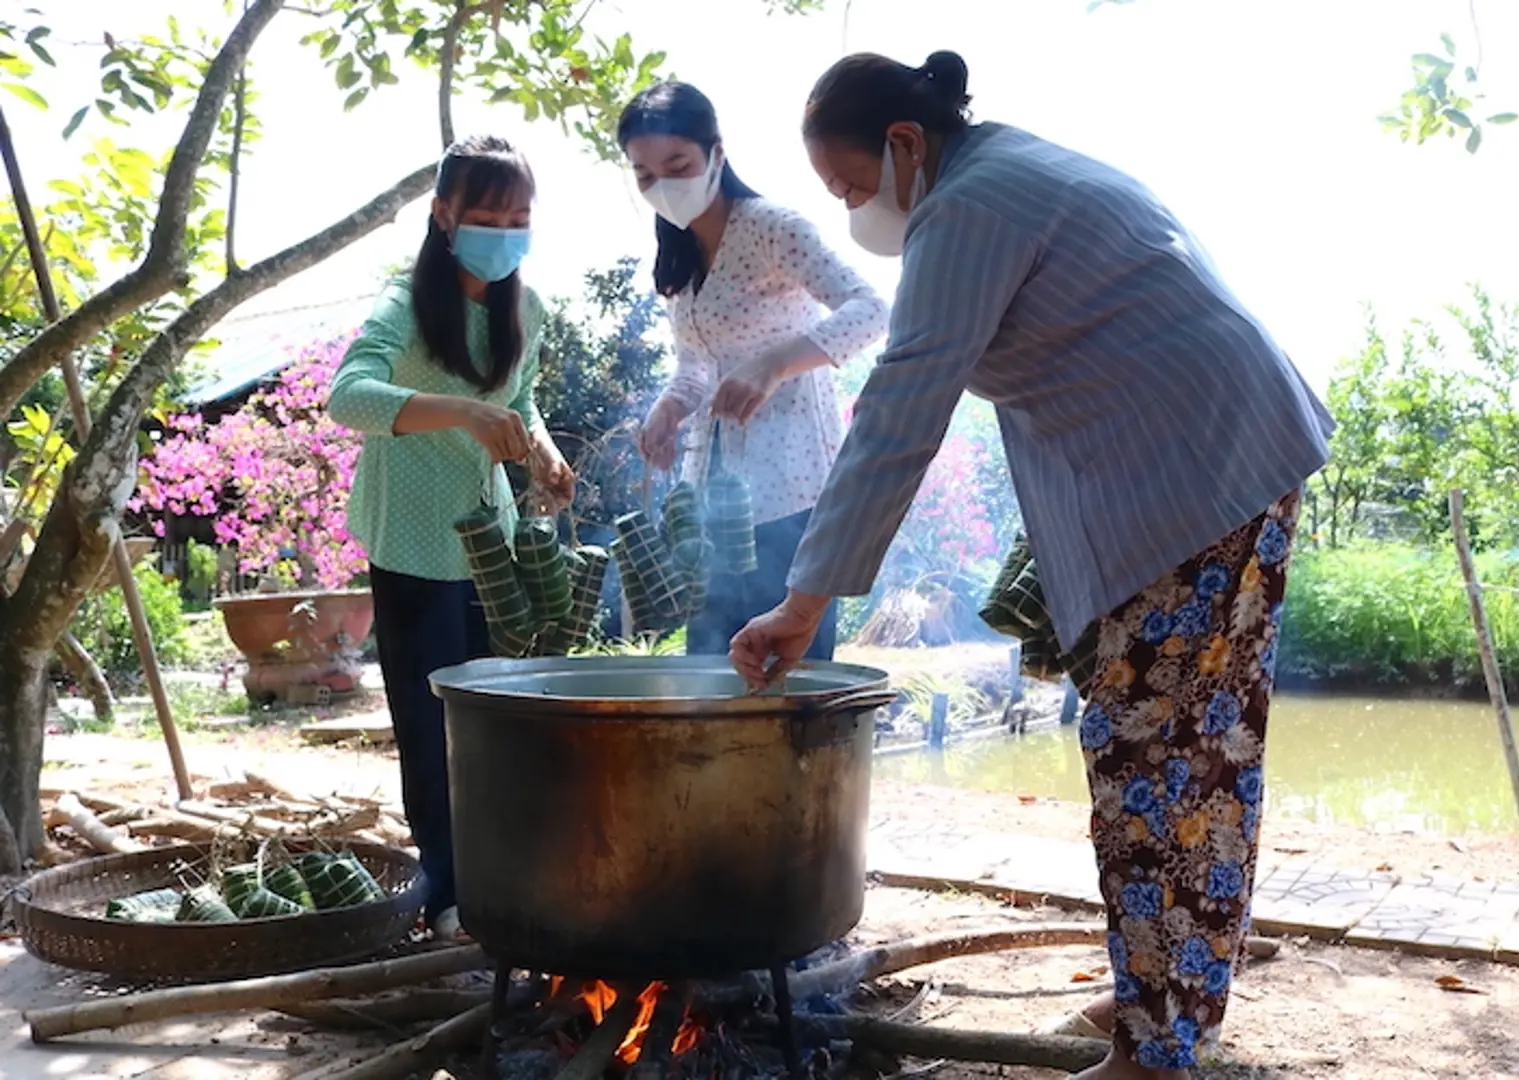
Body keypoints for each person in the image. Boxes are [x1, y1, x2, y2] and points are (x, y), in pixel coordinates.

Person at [729, 51, 1333, 1080]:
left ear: (904, 142)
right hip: (1230, 457)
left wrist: (803, 600)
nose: (852, 214)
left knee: (1148, 761)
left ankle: (1153, 1048)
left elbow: (899, 412)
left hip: (1191, 475)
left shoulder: (966, 207)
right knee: (1204, 751)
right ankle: (1169, 1000)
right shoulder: (1014, 171)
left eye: (851, 187)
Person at [329, 135, 575, 942]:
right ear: (444, 217)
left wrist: (543, 454)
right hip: (412, 543)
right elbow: (349, 396)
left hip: (492, 550)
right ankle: (444, 890)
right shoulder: (404, 309)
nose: (504, 233)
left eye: (518, 218)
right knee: (430, 724)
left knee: (499, 717)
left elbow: (525, 399)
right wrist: (463, 412)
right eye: (486, 216)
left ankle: (505, 872)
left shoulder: (526, 309)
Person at [618, 81, 888, 658]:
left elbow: (870, 309)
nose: (663, 184)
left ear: (716, 153)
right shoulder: (680, 254)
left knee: (786, 678)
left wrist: (776, 364)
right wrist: (669, 408)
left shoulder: (771, 228)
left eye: (677, 164)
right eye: (644, 175)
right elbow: (698, 365)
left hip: (791, 488)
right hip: (712, 498)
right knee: (710, 670)